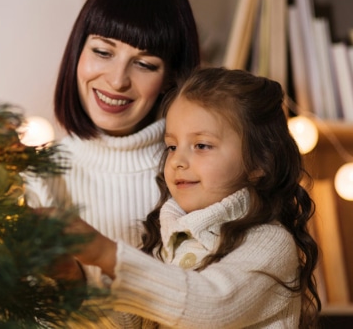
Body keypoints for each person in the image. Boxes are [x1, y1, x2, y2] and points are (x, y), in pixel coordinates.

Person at [57, 67, 321, 328]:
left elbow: (211, 306)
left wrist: (106, 253)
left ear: (259, 163)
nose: (177, 161)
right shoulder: (170, 240)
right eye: (172, 146)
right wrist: (72, 280)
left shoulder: (269, 242)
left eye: (202, 145)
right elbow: (128, 323)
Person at [25, 0, 199, 297]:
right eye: (103, 51)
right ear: (78, 52)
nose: (117, 81)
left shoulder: (195, 176)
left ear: (171, 79)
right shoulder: (35, 177)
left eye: (145, 64)